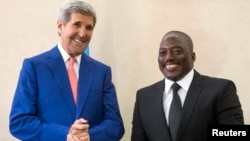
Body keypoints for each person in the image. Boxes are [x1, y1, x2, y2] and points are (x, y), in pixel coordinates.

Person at [9, 0, 124, 141]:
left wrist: (88, 136)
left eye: (89, 27)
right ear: (60, 26)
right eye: (77, 25)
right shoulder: (34, 67)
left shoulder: (102, 72)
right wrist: (66, 135)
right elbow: (19, 122)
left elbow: (116, 125)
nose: (83, 33)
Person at [131, 30, 244, 141]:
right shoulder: (144, 98)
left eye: (176, 51)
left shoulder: (220, 89)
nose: (168, 57)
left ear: (193, 56)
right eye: (162, 53)